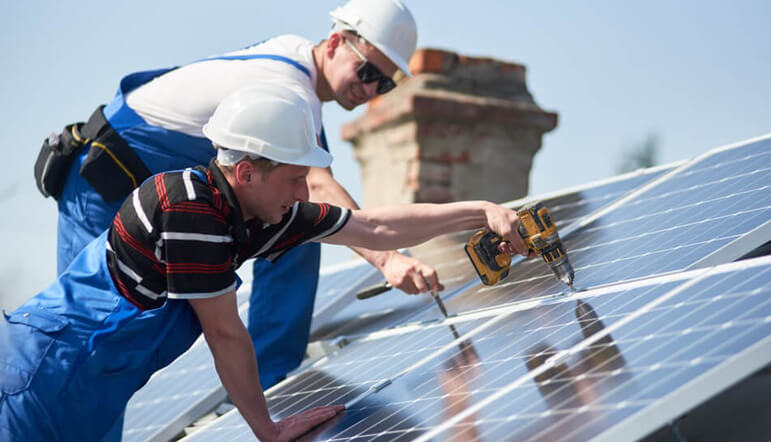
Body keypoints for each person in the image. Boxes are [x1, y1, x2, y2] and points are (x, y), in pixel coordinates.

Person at [4, 86, 528, 441]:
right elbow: (226, 334)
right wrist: (268, 429)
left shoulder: (258, 213)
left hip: (98, 385)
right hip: (43, 377)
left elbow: (373, 228)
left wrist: (480, 212)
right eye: (295, 179)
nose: (305, 191)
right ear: (248, 172)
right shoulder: (188, 207)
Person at [36, 0, 433, 390]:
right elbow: (322, 187)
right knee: (93, 343)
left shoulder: (296, 68)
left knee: (297, 225)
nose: (369, 88)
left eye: (383, 82)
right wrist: (387, 258)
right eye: (366, 71)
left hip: (147, 196)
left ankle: (270, 382)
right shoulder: (287, 88)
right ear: (334, 44)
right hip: (102, 185)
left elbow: (310, 197)